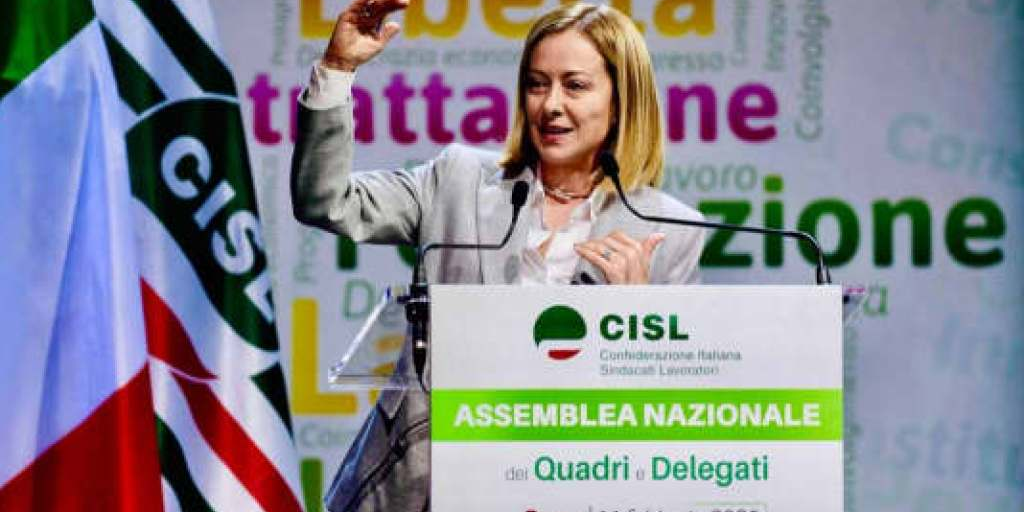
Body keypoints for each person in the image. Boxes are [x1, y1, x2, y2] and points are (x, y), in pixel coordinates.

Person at [290, 1, 705, 510]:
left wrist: (638, 325)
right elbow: (325, 200)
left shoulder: (668, 230)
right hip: (420, 489)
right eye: (537, 84)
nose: (551, 105)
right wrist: (337, 69)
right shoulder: (458, 178)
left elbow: (667, 418)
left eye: (575, 86)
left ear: (622, 101)